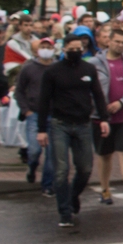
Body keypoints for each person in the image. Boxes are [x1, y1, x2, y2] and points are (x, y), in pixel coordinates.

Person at [37, 33, 110, 227]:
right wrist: (41, 129)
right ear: (64, 50)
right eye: (73, 49)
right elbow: (43, 101)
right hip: (59, 124)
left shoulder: (89, 69)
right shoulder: (53, 72)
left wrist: (104, 118)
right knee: (61, 171)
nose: (77, 52)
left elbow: (98, 95)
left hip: (83, 124)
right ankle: (64, 211)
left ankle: (72, 196)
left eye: (80, 49)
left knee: (85, 168)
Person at [91, 29, 123, 206]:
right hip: (101, 116)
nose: (120, 45)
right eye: (117, 41)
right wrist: (98, 105)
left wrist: (122, 102)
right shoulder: (95, 63)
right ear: (109, 41)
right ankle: (105, 190)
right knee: (104, 154)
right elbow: (90, 87)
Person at [15, 38, 55, 193]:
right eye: (42, 46)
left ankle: (47, 185)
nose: (45, 49)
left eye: (48, 47)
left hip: (53, 116)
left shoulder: (57, 68)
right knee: (34, 150)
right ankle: (32, 168)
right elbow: (19, 90)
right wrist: (26, 110)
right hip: (34, 115)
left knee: (52, 155)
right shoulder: (29, 68)